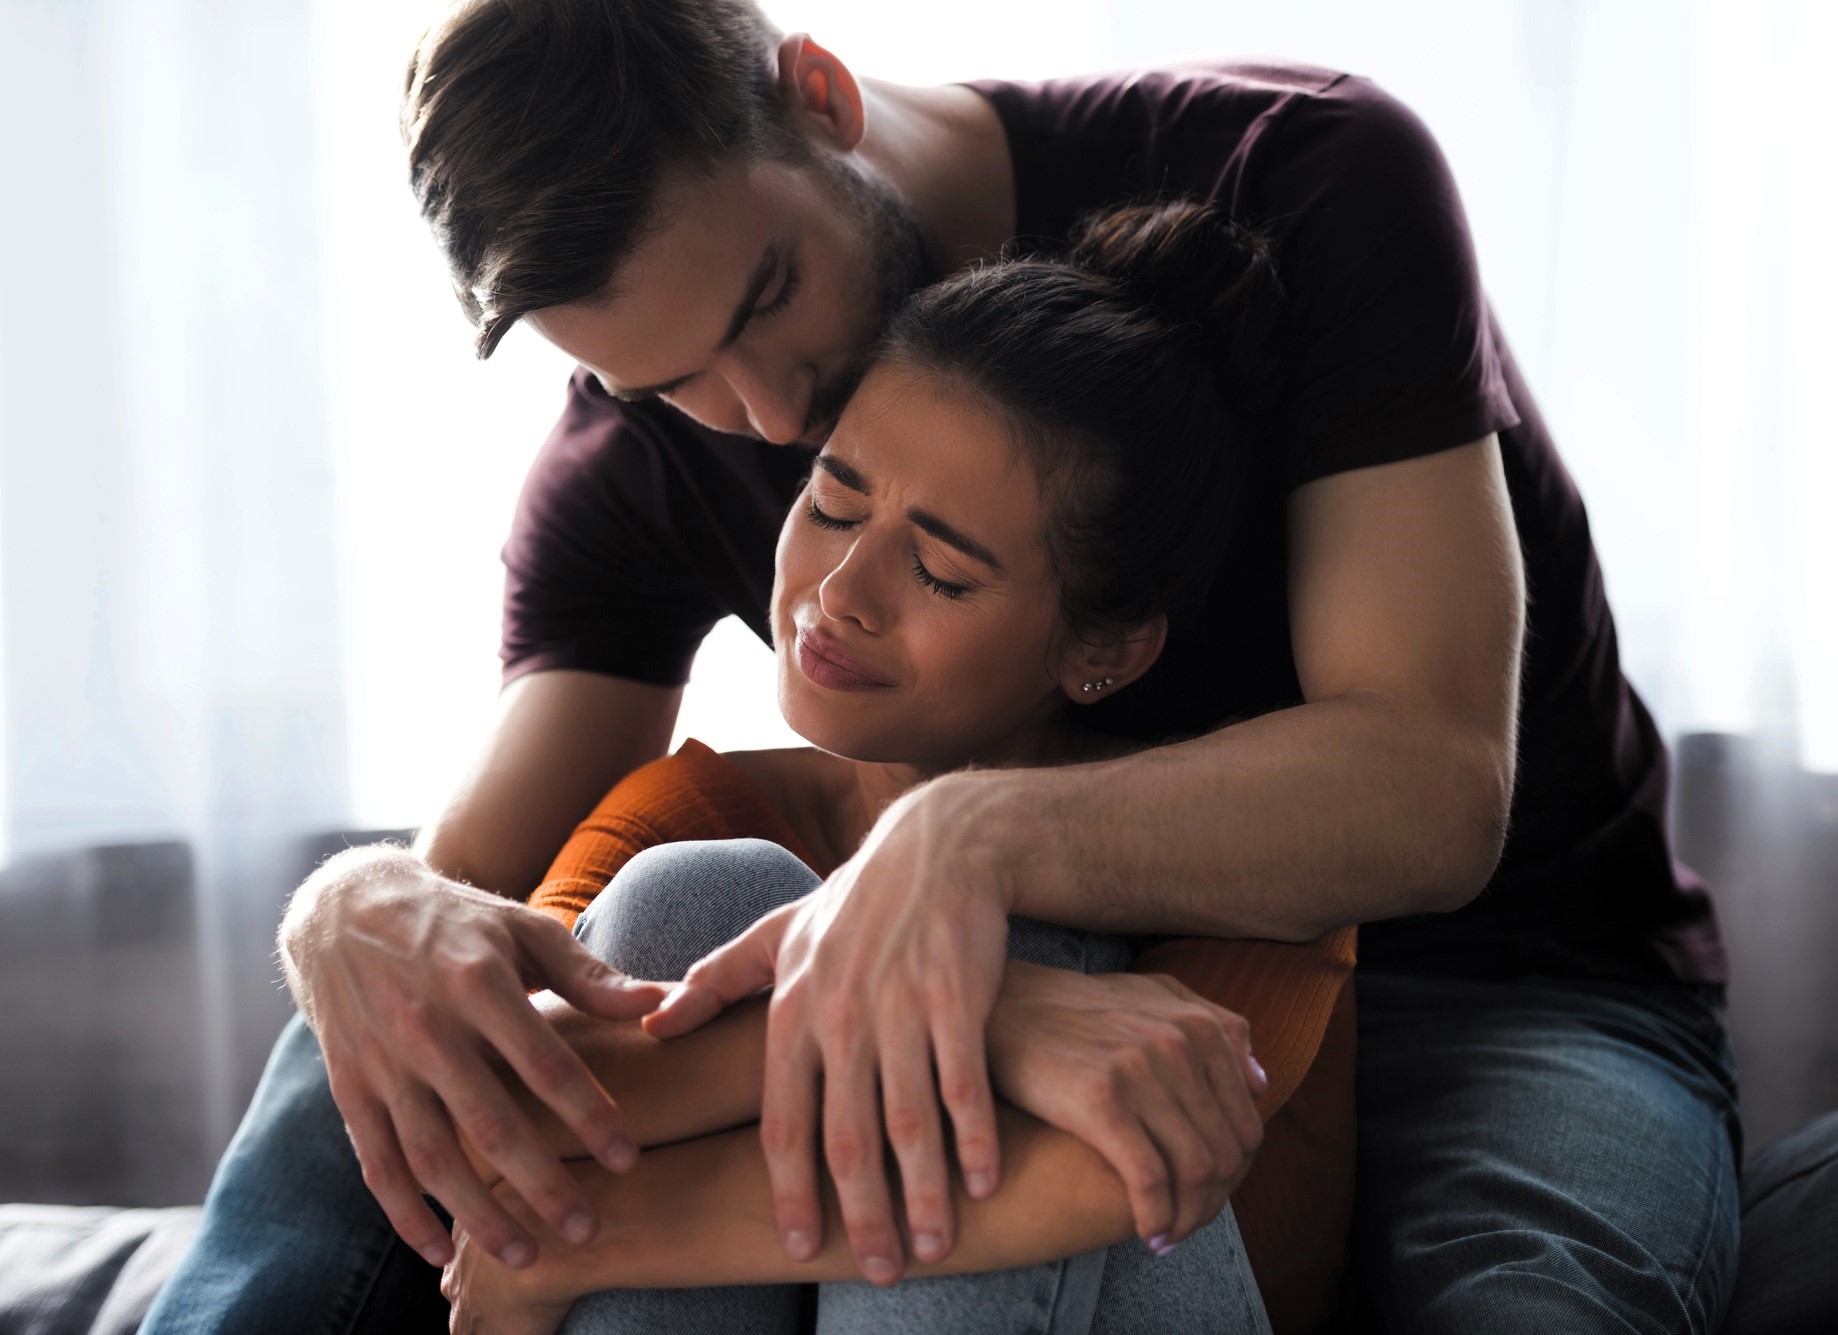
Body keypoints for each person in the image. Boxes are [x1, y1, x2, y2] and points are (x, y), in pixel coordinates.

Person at [147, 1, 1739, 1331]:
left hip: (1516, 986)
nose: (769, 416)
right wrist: (346, 909)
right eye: (664, 379)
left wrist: (954, 843)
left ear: (817, 94)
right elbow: (478, 907)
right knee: (450, 985)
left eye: (766, 299)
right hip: (1048, 1000)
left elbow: (1428, 787)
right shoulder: (645, 440)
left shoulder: (1297, 179)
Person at [433, 197, 1308, 1334]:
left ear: (1103, 646)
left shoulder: (1228, 853)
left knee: (1015, 924)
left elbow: (1133, 1157)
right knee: (705, 889)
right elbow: (501, 1118)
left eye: (941, 575)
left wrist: (612, 1237)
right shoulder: (690, 814)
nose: (838, 596)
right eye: (832, 504)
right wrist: (992, 1021)